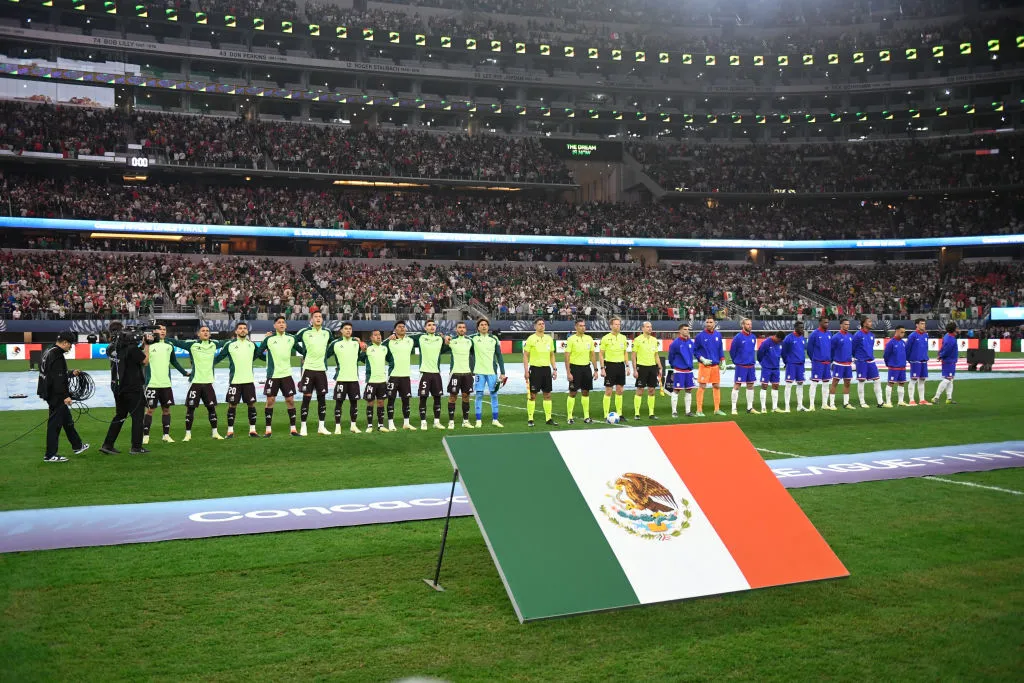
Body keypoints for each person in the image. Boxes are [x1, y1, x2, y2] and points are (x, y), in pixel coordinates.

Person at [100, 322, 150, 455]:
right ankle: (136, 447)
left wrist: (140, 345)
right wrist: (147, 345)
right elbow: (145, 361)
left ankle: (107, 445)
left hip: (117, 386)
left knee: (120, 415)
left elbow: (127, 356)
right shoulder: (131, 348)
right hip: (132, 387)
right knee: (138, 417)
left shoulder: (111, 347)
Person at [38, 331, 89, 462]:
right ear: (65, 342)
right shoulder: (57, 355)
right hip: (56, 395)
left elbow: (53, 372)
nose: (71, 347)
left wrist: (71, 373)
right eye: (70, 344)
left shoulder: (49, 350)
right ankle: (50, 455)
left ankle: (77, 446)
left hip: (48, 391)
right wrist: (65, 396)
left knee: (67, 420)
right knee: (54, 425)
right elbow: (58, 378)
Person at [171, 325, 224, 441]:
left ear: (210, 334)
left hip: (209, 382)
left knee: (211, 408)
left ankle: (215, 433)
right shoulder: (192, 344)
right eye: (203, 331)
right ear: (198, 334)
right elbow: (176, 342)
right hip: (195, 382)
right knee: (190, 408)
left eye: (207, 331)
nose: (205, 332)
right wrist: (160, 338)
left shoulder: (214, 344)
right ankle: (188, 434)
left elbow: (227, 343)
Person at [142, 324, 188, 445]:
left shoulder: (169, 345)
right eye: (160, 329)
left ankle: (166, 435)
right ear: (154, 331)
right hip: (152, 383)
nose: (163, 331)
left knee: (166, 410)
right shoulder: (148, 344)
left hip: (166, 384)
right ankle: (145, 436)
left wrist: (184, 373)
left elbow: (174, 361)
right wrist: (145, 343)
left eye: (164, 329)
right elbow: (140, 358)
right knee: (150, 410)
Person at [215, 322, 262, 438]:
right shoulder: (230, 344)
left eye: (244, 328)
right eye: (240, 328)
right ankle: (230, 431)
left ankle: (252, 430)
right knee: (232, 405)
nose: (242, 330)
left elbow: (261, 356)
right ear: (236, 331)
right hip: (235, 381)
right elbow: (218, 358)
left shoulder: (252, 345)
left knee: (251, 405)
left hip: (248, 381)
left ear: (247, 331)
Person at [259, 315, 299, 437]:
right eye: (279, 322)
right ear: (274, 325)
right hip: (273, 375)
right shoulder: (269, 339)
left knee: (290, 400)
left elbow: (303, 350)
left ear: (286, 325)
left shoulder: (291, 338)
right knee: (270, 401)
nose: (281, 324)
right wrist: (267, 359)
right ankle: (268, 430)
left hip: (287, 375)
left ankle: (293, 429)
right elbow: (258, 353)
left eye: (283, 322)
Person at [295, 310, 333, 436]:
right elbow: (292, 341)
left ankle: (321, 427)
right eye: (315, 316)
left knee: (322, 398)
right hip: (308, 369)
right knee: (307, 398)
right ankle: (303, 427)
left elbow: (333, 345)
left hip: (321, 370)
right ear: (311, 319)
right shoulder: (304, 332)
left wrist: (326, 356)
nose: (318, 318)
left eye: (320, 316)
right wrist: (303, 352)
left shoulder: (327, 332)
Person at [326, 321, 366, 434]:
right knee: (339, 403)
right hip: (341, 379)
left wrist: (364, 351)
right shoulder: (335, 343)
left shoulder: (356, 343)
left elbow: (361, 359)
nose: (348, 331)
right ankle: (337, 427)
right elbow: (325, 356)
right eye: (346, 329)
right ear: (341, 331)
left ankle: (353, 426)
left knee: (354, 403)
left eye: (350, 329)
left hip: (354, 379)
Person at [413, 319, 448, 430]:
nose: (432, 326)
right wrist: (394, 336)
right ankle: (423, 422)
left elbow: (446, 346)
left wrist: (445, 338)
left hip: (436, 373)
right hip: (424, 373)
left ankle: (436, 422)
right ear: (425, 328)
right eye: (429, 325)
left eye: (433, 325)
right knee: (423, 398)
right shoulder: (420, 337)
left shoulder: (439, 339)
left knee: (437, 398)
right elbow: (406, 337)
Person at [471, 318, 506, 428]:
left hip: (492, 372)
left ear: (488, 327)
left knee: (494, 395)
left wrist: (503, 372)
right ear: (478, 327)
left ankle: (495, 420)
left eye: (485, 324)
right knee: (479, 395)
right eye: (481, 325)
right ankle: (478, 420)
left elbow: (499, 356)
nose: (484, 326)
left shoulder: (494, 338)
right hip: (479, 372)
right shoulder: (473, 338)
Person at [383, 321, 418, 431]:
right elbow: (379, 347)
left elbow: (423, 335)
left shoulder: (410, 340)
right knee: (391, 400)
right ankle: (390, 423)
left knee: (406, 400)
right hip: (393, 375)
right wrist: (388, 339)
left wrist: (440, 335)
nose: (402, 328)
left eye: (403, 327)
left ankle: (406, 423)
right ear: (395, 330)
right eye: (399, 327)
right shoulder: (390, 341)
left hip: (406, 376)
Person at [523, 318, 557, 427]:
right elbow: (525, 355)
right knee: (532, 395)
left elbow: (552, 355)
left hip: (546, 369)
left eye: (543, 324)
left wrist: (554, 369)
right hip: (535, 369)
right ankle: (530, 419)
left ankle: (548, 419)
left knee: (547, 394)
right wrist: (526, 370)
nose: (542, 325)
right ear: (535, 326)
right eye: (539, 324)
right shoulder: (531, 339)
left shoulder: (549, 339)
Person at [564, 318, 597, 425]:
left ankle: (586, 416)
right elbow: (567, 357)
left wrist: (596, 369)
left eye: (584, 326)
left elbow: (592, 355)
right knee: (573, 392)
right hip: (575, 368)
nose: (583, 328)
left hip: (586, 368)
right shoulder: (571, 339)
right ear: (576, 327)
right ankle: (569, 417)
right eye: (581, 326)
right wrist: (568, 372)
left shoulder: (589, 338)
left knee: (586, 392)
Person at [694, 317, 725, 417]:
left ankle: (717, 409)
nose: (708, 324)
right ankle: (699, 410)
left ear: (714, 323)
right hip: (704, 365)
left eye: (711, 322)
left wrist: (723, 361)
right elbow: (695, 351)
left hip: (715, 366)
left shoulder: (718, 335)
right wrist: (702, 359)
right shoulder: (699, 336)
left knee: (716, 386)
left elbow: (720, 349)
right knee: (702, 386)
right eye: (707, 322)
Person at [446, 321, 475, 429]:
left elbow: (475, 354)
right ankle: (451, 422)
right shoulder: (451, 341)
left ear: (465, 329)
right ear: (456, 329)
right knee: (452, 397)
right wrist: (445, 338)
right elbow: (443, 348)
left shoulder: (470, 341)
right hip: (455, 373)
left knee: (466, 397)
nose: (462, 329)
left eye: (463, 327)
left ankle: (465, 421)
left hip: (467, 373)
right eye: (459, 327)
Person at [599, 316, 629, 418]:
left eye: (619, 324)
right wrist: (602, 368)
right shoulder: (605, 338)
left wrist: (627, 366)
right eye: (616, 324)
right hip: (609, 365)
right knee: (608, 390)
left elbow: (625, 353)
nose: (618, 326)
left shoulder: (623, 337)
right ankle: (606, 414)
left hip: (620, 366)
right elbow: (601, 354)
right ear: (611, 326)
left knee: (620, 390)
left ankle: (619, 414)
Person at [363, 329, 392, 432]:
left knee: (380, 403)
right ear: (371, 338)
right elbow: (361, 358)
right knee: (370, 403)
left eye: (379, 334)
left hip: (382, 381)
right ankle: (369, 426)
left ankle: (381, 425)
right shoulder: (368, 349)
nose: (378, 336)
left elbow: (390, 359)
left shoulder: (384, 348)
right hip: (371, 381)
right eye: (375, 335)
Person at [631, 321, 662, 420]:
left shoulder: (654, 340)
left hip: (652, 367)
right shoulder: (637, 340)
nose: (650, 328)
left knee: (652, 390)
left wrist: (660, 367)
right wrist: (635, 369)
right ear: (642, 328)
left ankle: (651, 414)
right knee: (640, 390)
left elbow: (656, 355)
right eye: (647, 327)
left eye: (650, 327)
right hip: (642, 367)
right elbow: (633, 356)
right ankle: (637, 414)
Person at [728, 318, 758, 415]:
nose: (750, 326)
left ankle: (750, 407)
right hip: (741, 365)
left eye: (750, 324)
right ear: (743, 325)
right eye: (748, 324)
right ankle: (733, 408)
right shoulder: (738, 337)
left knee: (750, 385)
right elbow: (732, 351)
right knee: (737, 385)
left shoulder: (753, 337)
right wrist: (736, 361)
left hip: (751, 365)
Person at [853, 317, 883, 409]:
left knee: (877, 380)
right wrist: (858, 358)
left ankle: (880, 402)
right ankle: (862, 402)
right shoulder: (858, 335)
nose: (871, 323)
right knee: (862, 381)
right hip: (861, 361)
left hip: (871, 360)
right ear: (864, 324)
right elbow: (853, 348)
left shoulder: (871, 335)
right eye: (869, 322)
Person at [667, 323, 696, 418]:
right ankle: (674, 412)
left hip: (689, 371)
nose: (687, 331)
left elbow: (694, 353)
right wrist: (674, 366)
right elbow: (671, 357)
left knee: (689, 390)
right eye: (684, 329)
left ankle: (688, 411)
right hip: (679, 370)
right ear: (680, 331)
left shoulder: (690, 342)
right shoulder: (675, 343)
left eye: (688, 329)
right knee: (676, 390)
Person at [807, 316, 834, 411]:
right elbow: (809, 349)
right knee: (814, 383)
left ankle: (824, 404)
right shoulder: (814, 334)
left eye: (827, 322)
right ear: (820, 323)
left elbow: (831, 348)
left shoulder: (829, 333)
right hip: (817, 362)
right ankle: (811, 405)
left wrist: (830, 359)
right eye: (825, 322)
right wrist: (814, 359)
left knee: (826, 383)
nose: (827, 324)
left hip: (827, 362)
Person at [828, 318, 856, 409]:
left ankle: (846, 403)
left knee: (847, 383)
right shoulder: (836, 337)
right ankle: (832, 404)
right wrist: (832, 361)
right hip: (838, 364)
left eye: (848, 324)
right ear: (841, 325)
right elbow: (831, 350)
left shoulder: (850, 336)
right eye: (845, 324)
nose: (847, 326)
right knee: (835, 383)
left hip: (848, 364)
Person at [781, 321, 807, 413]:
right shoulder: (788, 338)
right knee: (789, 384)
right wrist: (787, 362)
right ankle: (787, 407)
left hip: (801, 365)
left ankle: (800, 406)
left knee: (800, 384)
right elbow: (783, 352)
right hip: (791, 364)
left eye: (803, 327)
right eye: (800, 327)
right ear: (795, 328)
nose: (802, 329)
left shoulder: (803, 338)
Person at [757, 331, 786, 413]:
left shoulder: (780, 343)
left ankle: (775, 407)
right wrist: (762, 363)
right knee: (764, 386)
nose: (780, 342)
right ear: (777, 337)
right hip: (766, 368)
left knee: (776, 386)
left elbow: (782, 354)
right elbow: (759, 353)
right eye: (780, 340)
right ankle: (763, 408)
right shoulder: (766, 342)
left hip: (776, 368)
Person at [905, 318, 932, 406]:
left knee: (922, 380)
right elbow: (907, 348)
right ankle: (911, 400)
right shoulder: (912, 335)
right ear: (917, 325)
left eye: (924, 323)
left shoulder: (925, 335)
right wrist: (908, 359)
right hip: (915, 360)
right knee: (914, 379)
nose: (923, 325)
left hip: (924, 360)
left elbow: (926, 347)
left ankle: (922, 400)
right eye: (921, 323)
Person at [932, 321, 960, 404]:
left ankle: (949, 398)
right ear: (954, 329)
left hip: (949, 360)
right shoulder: (951, 339)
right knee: (948, 379)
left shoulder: (947, 336)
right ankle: (936, 397)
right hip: (949, 361)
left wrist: (939, 354)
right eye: (957, 328)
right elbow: (947, 351)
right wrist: (941, 355)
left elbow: (943, 347)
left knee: (950, 379)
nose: (958, 329)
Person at [883, 325, 908, 408]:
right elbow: (886, 355)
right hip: (893, 367)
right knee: (891, 383)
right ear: (896, 331)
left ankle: (900, 401)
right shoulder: (891, 343)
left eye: (904, 332)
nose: (903, 334)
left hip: (902, 367)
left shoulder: (903, 342)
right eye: (901, 332)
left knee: (902, 383)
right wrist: (888, 364)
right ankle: (888, 402)